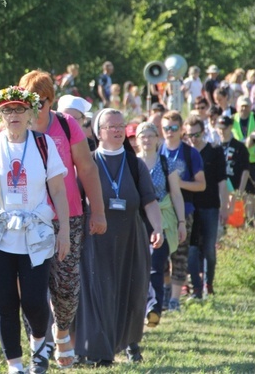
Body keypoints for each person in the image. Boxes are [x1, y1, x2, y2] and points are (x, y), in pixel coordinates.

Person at [0, 86, 70, 374]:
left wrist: (64, 233)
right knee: (6, 304)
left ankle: (40, 342)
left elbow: (59, 192)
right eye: (8, 110)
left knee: (35, 302)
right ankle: (15, 364)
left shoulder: (43, 144)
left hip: (35, 233)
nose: (13, 115)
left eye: (19, 109)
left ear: (30, 114)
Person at [19, 71, 106, 369]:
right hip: (29, 218)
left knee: (66, 286)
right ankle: (38, 344)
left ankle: (62, 331)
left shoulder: (66, 125)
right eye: (29, 101)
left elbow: (87, 169)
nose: (35, 107)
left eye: (40, 101)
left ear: (50, 100)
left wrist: (99, 211)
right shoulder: (16, 126)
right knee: (30, 287)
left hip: (67, 216)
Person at [74, 109, 163, 366]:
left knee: (130, 291)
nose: (116, 130)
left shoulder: (135, 164)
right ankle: (97, 352)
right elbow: (76, 201)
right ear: (98, 132)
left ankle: (129, 344)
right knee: (97, 292)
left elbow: (150, 201)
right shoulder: (87, 162)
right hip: (94, 238)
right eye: (111, 126)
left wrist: (158, 227)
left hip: (130, 237)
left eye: (120, 125)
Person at [135, 122, 186, 328]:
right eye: (142, 136)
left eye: (150, 135)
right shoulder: (131, 163)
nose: (146, 140)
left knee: (156, 265)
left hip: (162, 220)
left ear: (158, 139)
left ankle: (154, 308)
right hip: (137, 221)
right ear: (137, 140)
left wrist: (181, 222)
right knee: (139, 267)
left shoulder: (167, 163)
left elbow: (176, 194)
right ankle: (139, 308)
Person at [158, 110, 206, 312]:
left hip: (184, 210)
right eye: (166, 128)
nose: (169, 132)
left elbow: (201, 185)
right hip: (159, 211)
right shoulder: (157, 150)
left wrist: (180, 183)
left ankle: (175, 300)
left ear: (181, 129)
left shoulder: (190, 153)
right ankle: (166, 292)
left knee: (179, 254)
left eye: (173, 128)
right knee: (160, 257)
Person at [185, 115, 228, 299]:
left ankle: (208, 283)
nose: (193, 139)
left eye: (195, 134)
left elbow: (222, 181)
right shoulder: (185, 152)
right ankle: (195, 285)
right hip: (191, 207)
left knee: (209, 248)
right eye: (189, 135)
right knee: (192, 248)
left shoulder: (215, 151)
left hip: (211, 206)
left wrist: (225, 206)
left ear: (202, 132)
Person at [215, 116, 252, 222]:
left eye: (224, 128)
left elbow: (245, 170)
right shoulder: (214, 147)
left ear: (230, 127)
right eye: (219, 128)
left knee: (236, 223)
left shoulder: (240, 147)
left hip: (235, 190)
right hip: (219, 192)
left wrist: (240, 191)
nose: (222, 131)